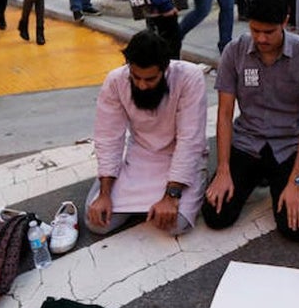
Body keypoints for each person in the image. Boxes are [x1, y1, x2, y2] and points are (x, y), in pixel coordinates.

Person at [202, 0, 299, 240]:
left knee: (298, 229)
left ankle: (276, 179)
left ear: (285, 21)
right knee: (216, 216)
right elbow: (224, 114)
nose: (262, 39)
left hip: (288, 146)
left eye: (269, 32)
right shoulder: (234, 51)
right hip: (247, 142)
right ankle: (256, 178)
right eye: (255, 30)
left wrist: (297, 180)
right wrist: (223, 169)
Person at [85, 31, 208, 237]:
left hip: (180, 157)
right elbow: (108, 137)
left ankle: (175, 194)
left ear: (165, 69)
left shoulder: (190, 76)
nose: (142, 85)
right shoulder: (116, 81)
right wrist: (105, 194)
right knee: (97, 222)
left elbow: (190, 140)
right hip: (141, 156)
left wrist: (171, 196)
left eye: (150, 79)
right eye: (136, 77)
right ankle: (114, 188)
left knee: (175, 224)